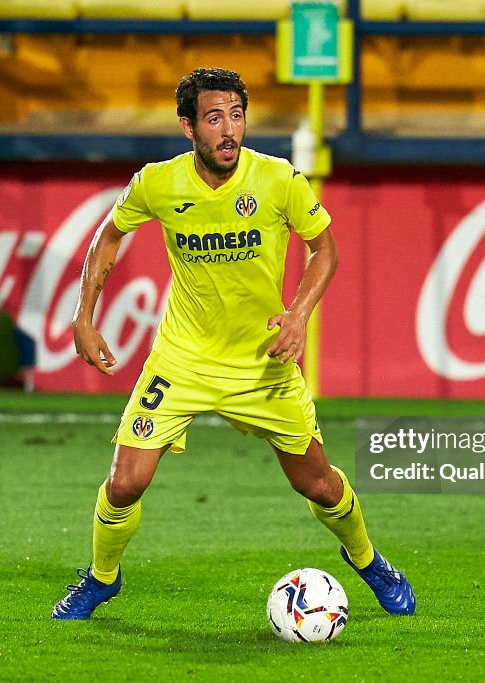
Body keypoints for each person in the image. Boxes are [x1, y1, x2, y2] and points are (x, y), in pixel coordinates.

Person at [52, 67, 415, 620]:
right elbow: (110, 235)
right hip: (183, 359)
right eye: (215, 118)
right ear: (188, 126)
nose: (229, 131)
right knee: (125, 483)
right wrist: (84, 316)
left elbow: (326, 250)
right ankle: (102, 578)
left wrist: (298, 313)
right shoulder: (157, 183)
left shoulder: (278, 180)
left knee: (317, 484)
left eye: (237, 116)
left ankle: (370, 563)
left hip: (261, 362)